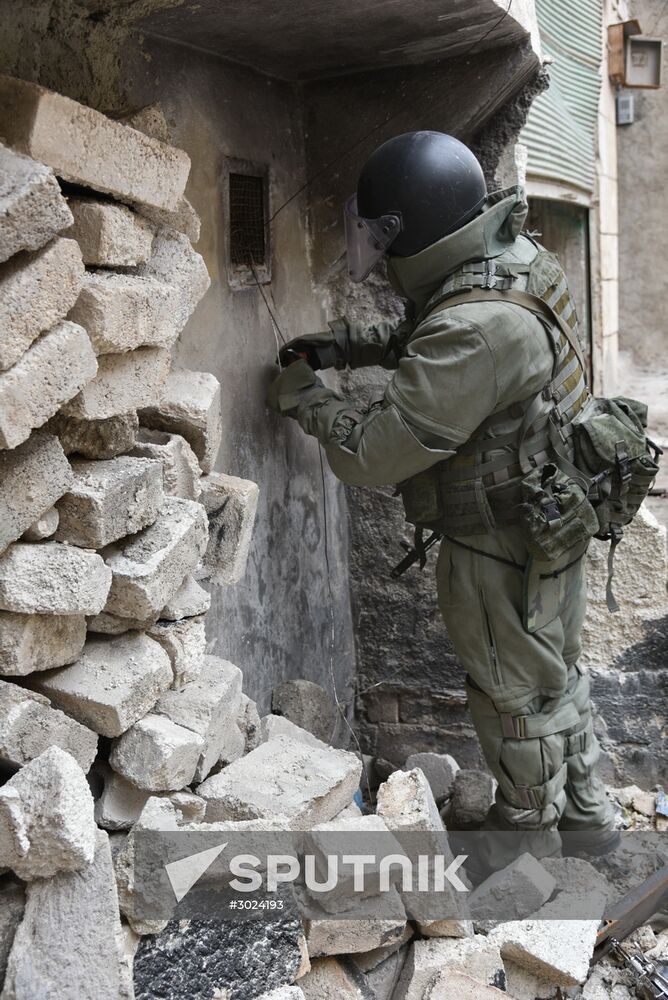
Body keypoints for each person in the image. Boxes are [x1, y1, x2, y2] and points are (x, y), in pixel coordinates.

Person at [266, 130, 618, 864]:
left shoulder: (476, 329)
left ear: (410, 233)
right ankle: (588, 820)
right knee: (556, 676)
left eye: (379, 235)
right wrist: (349, 345)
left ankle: (524, 847)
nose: (375, 252)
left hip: (500, 544)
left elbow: (371, 453)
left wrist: (304, 396)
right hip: (552, 522)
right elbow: (438, 335)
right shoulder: (513, 260)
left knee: (510, 696)